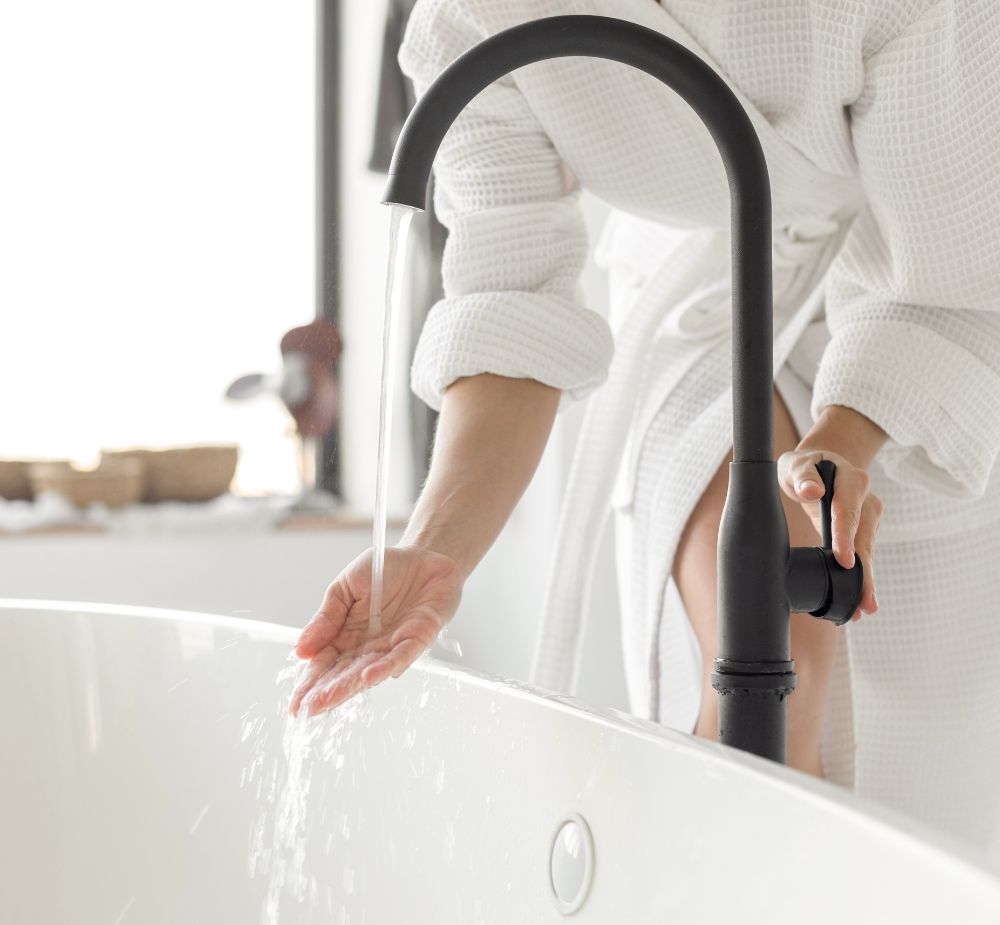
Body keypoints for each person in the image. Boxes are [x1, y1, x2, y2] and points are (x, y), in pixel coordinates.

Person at [291, 0, 1000, 857]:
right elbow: (509, 313)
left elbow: (950, 273)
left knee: (918, 779)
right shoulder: (467, 22)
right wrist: (435, 547)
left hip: (923, 294)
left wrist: (844, 438)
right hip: (700, 306)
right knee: (771, 665)